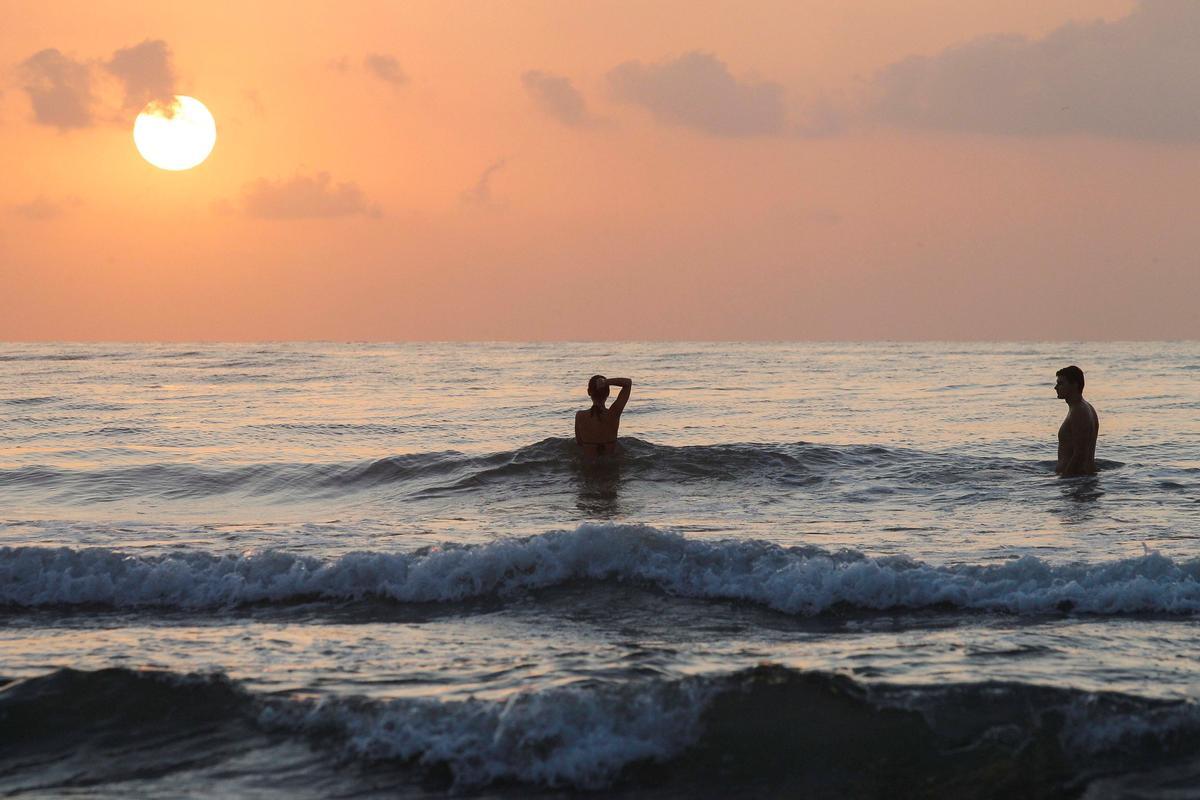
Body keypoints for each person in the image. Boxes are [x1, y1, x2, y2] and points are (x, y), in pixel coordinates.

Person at [1054, 365, 1099, 476]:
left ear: (1075, 385)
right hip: (1079, 480)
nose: (1056, 387)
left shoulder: (1079, 411)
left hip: (1077, 480)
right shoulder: (1082, 408)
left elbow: (1080, 453)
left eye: (1061, 383)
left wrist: (1065, 479)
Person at [575, 375, 632, 458]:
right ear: (608, 393)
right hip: (611, 465)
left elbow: (579, 444)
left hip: (588, 466)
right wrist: (606, 382)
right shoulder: (613, 414)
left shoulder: (580, 416)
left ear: (588, 392)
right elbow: (628, 383)